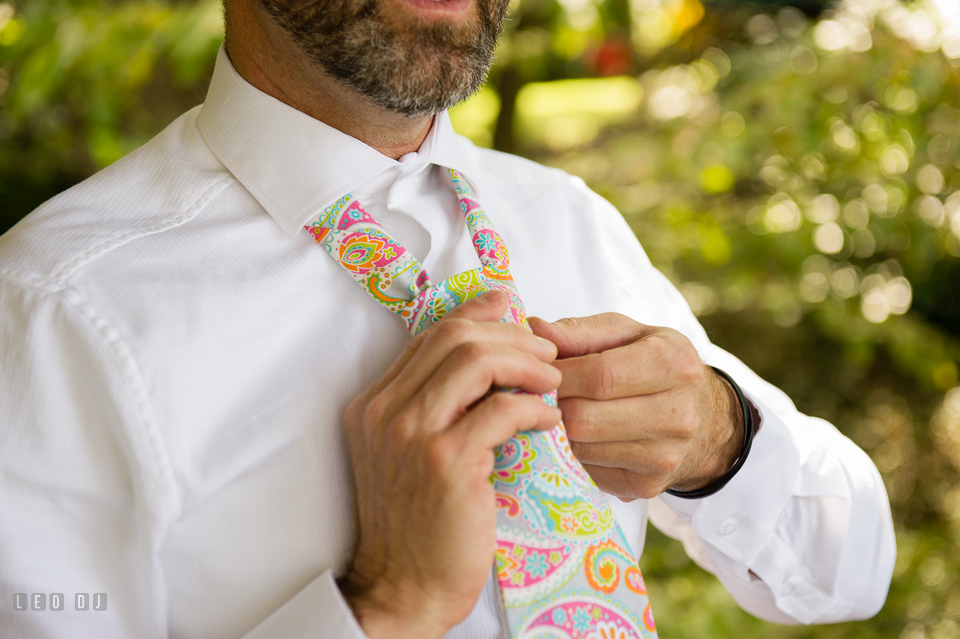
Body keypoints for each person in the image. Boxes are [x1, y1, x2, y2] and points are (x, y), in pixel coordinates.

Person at [0, 0, 895, 637]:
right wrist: (384, 607)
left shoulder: (566, 218)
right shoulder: (48, 317)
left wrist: (718, 437)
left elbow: (844, 568)